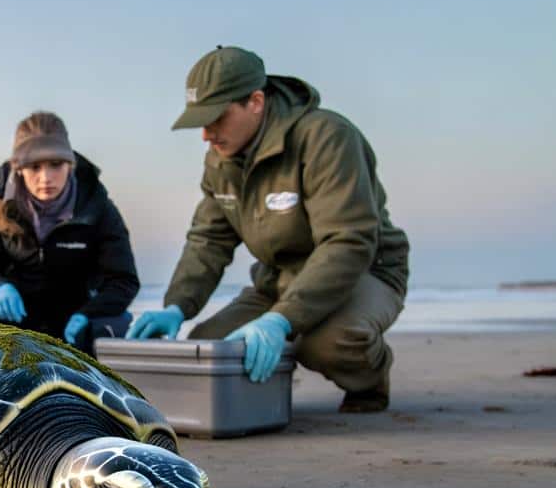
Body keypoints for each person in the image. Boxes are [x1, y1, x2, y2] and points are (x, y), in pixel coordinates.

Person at [130, 47, 409, 413]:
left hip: (363, 271)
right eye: (200, 121)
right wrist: (177, 306)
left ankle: (370, 378)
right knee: (210, 347)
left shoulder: (326, 138)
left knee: (328, 343)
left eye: (216, 118)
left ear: (256, 102)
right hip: (278, 280)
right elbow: (208, 241)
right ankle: (267, 397)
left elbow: (347, 242)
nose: (206, 135)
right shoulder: (220, 159)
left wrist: (281, 319)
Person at [0, 112, 139, 354]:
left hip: (77, 320)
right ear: (19, 168)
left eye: (55, 164)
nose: (45, 178)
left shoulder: (97, 206)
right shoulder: (2, 205)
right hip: (21, 317)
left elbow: (124, 281)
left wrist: (88, 314)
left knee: (109, 325)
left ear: (70, 164)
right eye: (35, 167)